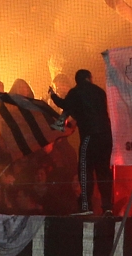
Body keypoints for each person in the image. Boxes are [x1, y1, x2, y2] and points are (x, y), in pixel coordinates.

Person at [49, 69, 114, 216]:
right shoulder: (99, 91)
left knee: (85, 170)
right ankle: (108, 207)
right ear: (89, 78)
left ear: (77, 80)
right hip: (106, 137)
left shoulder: (76, 92)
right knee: (104, 171)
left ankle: (85, 206)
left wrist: (53, 95)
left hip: (90, 136)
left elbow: (64, 104)